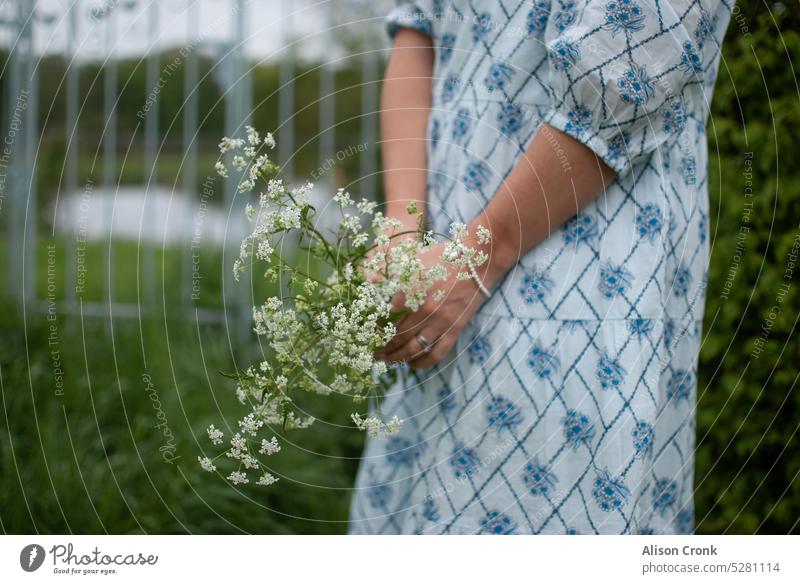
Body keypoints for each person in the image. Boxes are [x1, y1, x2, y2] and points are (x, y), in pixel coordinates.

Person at [348, 0, 734, 534]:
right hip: (438, 270)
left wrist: (478, 257)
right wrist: (404, 234)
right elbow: (418, 28)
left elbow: (626, 76)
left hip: (580, 273)